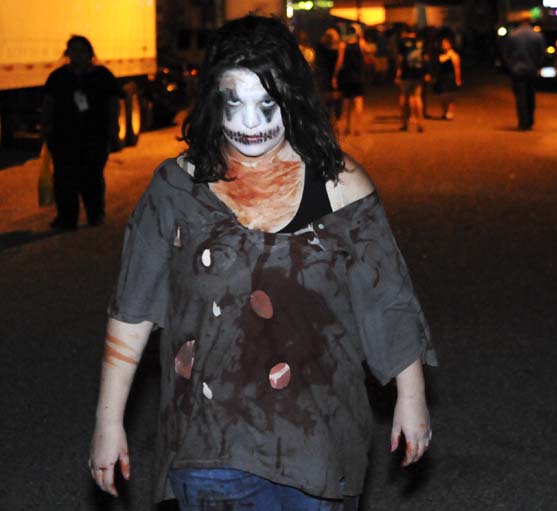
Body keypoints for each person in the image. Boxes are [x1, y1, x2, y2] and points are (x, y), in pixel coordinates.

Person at [88, 15, 436, 511]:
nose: (251, 124)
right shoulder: (174, 192)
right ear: (212, 101)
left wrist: (411, 396)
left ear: (291, 100)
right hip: (210, 440)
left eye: (267, 105)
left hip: (320, 437)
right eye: (234, 103)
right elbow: (132, 310)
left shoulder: (340, 188)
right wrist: (108, 421)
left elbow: (387, 298)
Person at [42, 35, 122, 230]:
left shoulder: (102, 76)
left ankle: (95, 215)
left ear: (90, 54)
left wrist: (113, 129)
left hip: (95, 136)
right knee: (64, 178)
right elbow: (48, 104)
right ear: (67, 54)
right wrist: (47, 128)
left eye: (82, 51)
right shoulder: (58, 77)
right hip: (64, 137)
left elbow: (114, 102)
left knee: (92, 176)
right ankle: (66, 218)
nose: (77, 55)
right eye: (73, 51)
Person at [501, 15, 546, 131]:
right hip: (531, 69)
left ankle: (522, 121)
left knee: (520, 96)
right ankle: (530, 120)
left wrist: (510, 65)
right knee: (530, 95)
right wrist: (538, 65)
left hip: (517, 69)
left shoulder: (513, 35)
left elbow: (506, 52)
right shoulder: (537, 36)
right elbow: (541, 53)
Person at [333, 24, 369, 136]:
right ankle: (357, 127)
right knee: (359, 102)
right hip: (359, 76)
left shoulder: (343, 45)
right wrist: (362, 37)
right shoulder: (361, 44)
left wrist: (335, 76)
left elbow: (339, 62)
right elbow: (368, 51)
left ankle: (347, 127)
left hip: (346, 77)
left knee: (346, 103)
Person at [396, 28, 429, 132]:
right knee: (418, 97)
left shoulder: (402, 42)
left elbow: (400, 59)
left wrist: (398, 72)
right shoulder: (422, 42)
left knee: (405, 97)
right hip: (418, 73)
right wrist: (427, 72)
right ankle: (420, 123)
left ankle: (405, 123)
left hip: (406, 73)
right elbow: (426, 58)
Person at [315, 27, 343, 134]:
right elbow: (339, 63)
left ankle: (329, 124)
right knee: (337, 100)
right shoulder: (339, 48)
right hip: (336, 77)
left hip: (324, 77)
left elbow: (318, 63)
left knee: (326, 101)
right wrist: (335, 77)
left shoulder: (321, 48)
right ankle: (337, 123)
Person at [433, 36, 462, 120]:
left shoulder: (454, 55)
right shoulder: (440, 55)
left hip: (450, 77)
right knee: (441, 96)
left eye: (446, 44)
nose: (444, 45)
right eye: (443, 44)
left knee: (450, 96)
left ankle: (450, 112)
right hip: (441, 78)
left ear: (450, 44)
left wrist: (458, 79)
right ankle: (445, 111)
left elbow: (457, 68)